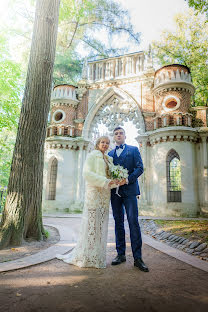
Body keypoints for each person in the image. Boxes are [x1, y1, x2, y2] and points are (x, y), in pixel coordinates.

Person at [56, 136, 117, 268]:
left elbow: (110, 178)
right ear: (97, 143)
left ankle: (97, 255)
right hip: (94, 193)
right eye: (103, 142)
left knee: (101, 225)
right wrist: (105, 181)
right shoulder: (92, 155)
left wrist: (116, 182)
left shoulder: (109, 159)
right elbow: (87, 174)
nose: (105, 145)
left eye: (107, 143)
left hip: (105, 195)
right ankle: (86, 255)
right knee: (91, 224)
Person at [108, 127, 149, 272]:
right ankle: (120, 254)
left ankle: (138, 258)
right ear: (114, 137)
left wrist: (127, 179)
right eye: (116, 134)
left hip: (130, 191)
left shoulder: (133, 149)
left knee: (133, 221)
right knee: (118, 222)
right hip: (115, 193)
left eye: (121, 133)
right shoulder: (109, 154)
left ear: (125, 136)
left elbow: (140, 168)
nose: (118, 135)